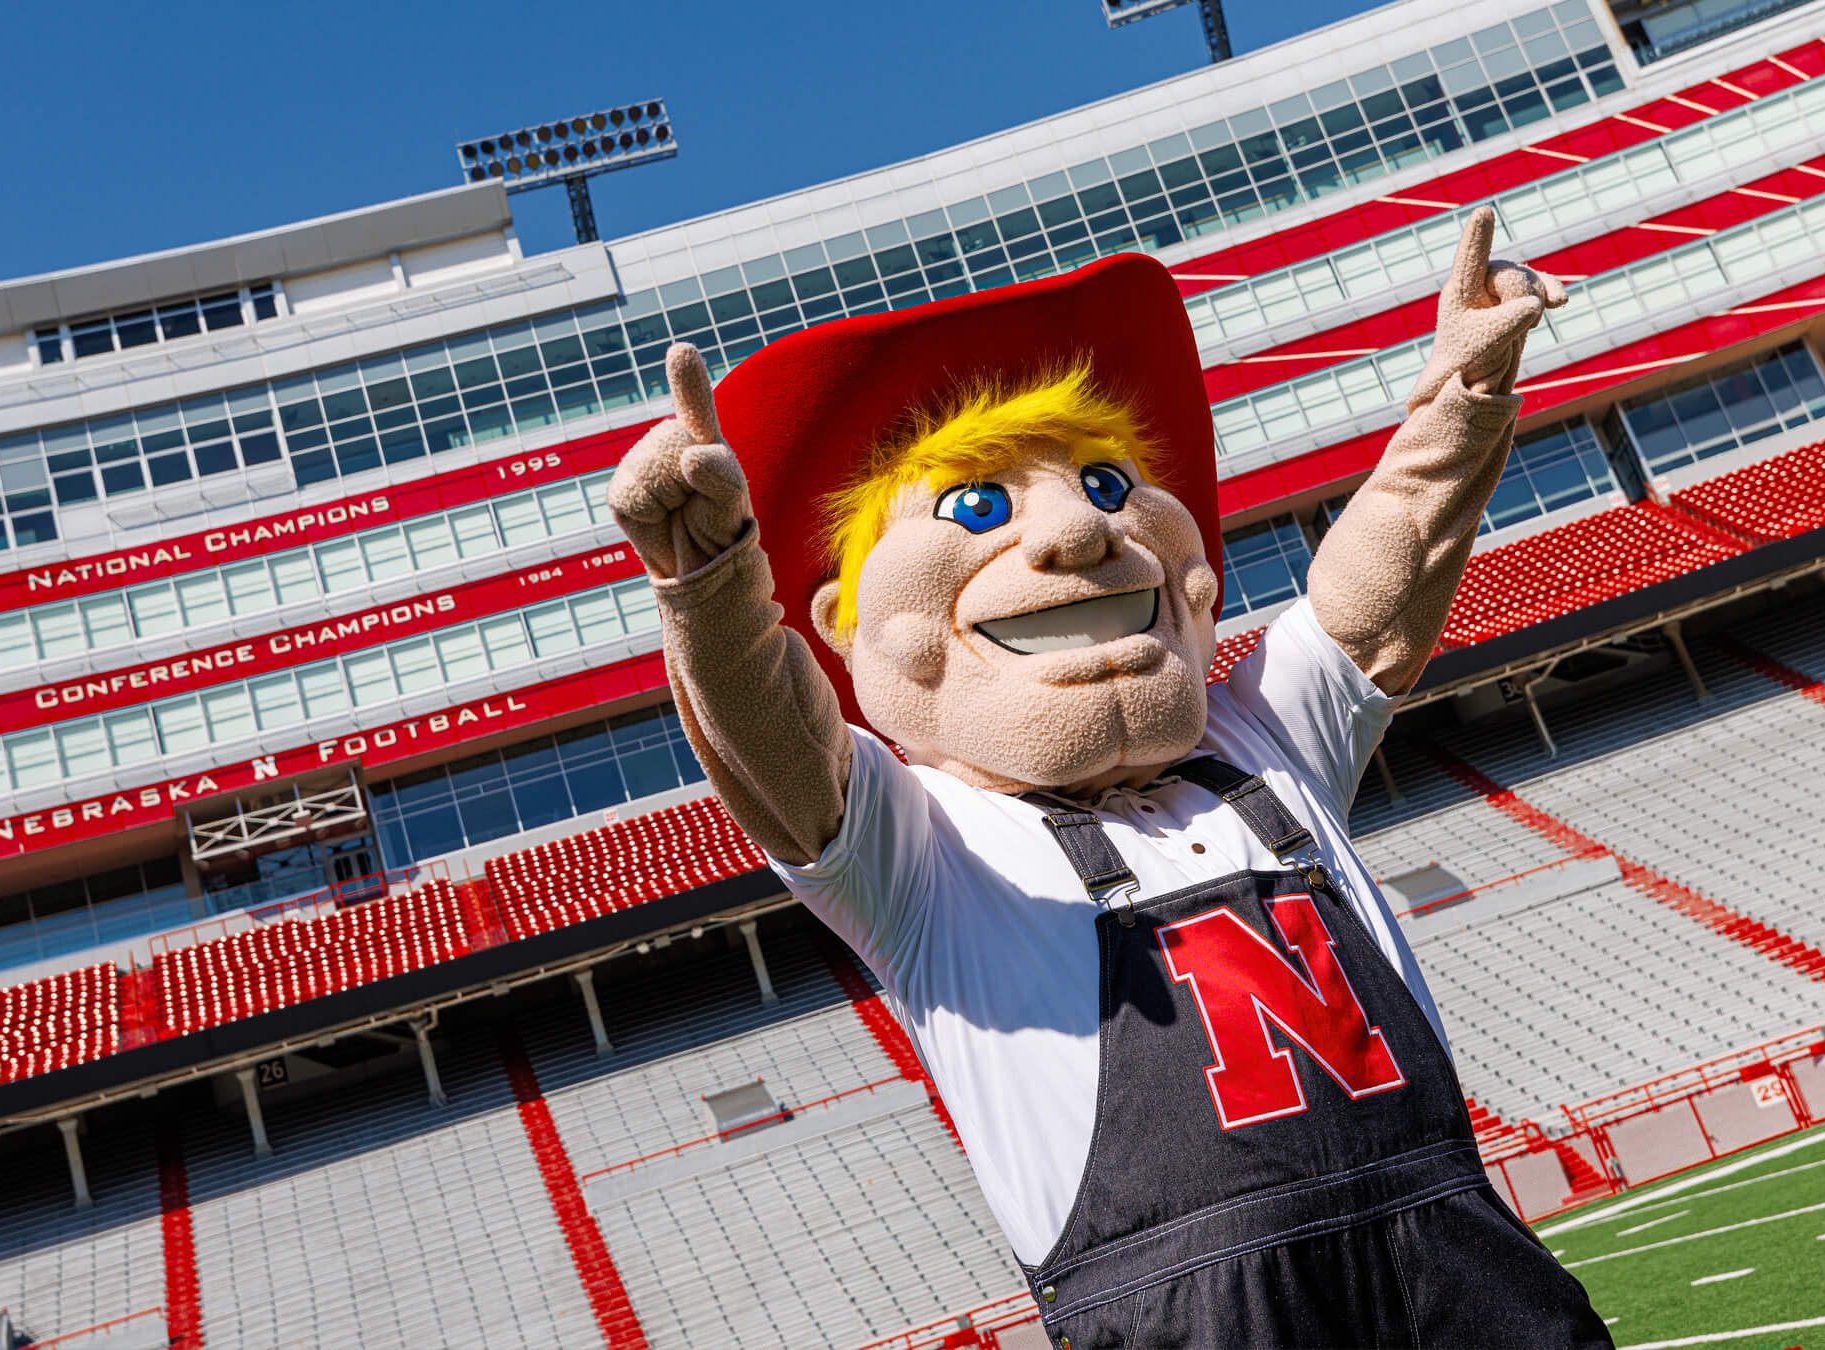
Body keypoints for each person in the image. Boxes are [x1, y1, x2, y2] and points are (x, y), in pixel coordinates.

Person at [608, 209, 1611, 1347]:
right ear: (852, 624)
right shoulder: (919, 847)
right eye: (979, 508)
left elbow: (1386, 571)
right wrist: (710, 586)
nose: (1079, 535)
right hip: (1190, 1312)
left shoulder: (1259, 738)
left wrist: (1463, 397)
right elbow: (773, 737)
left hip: (1453, 1249)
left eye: (1102, 483)